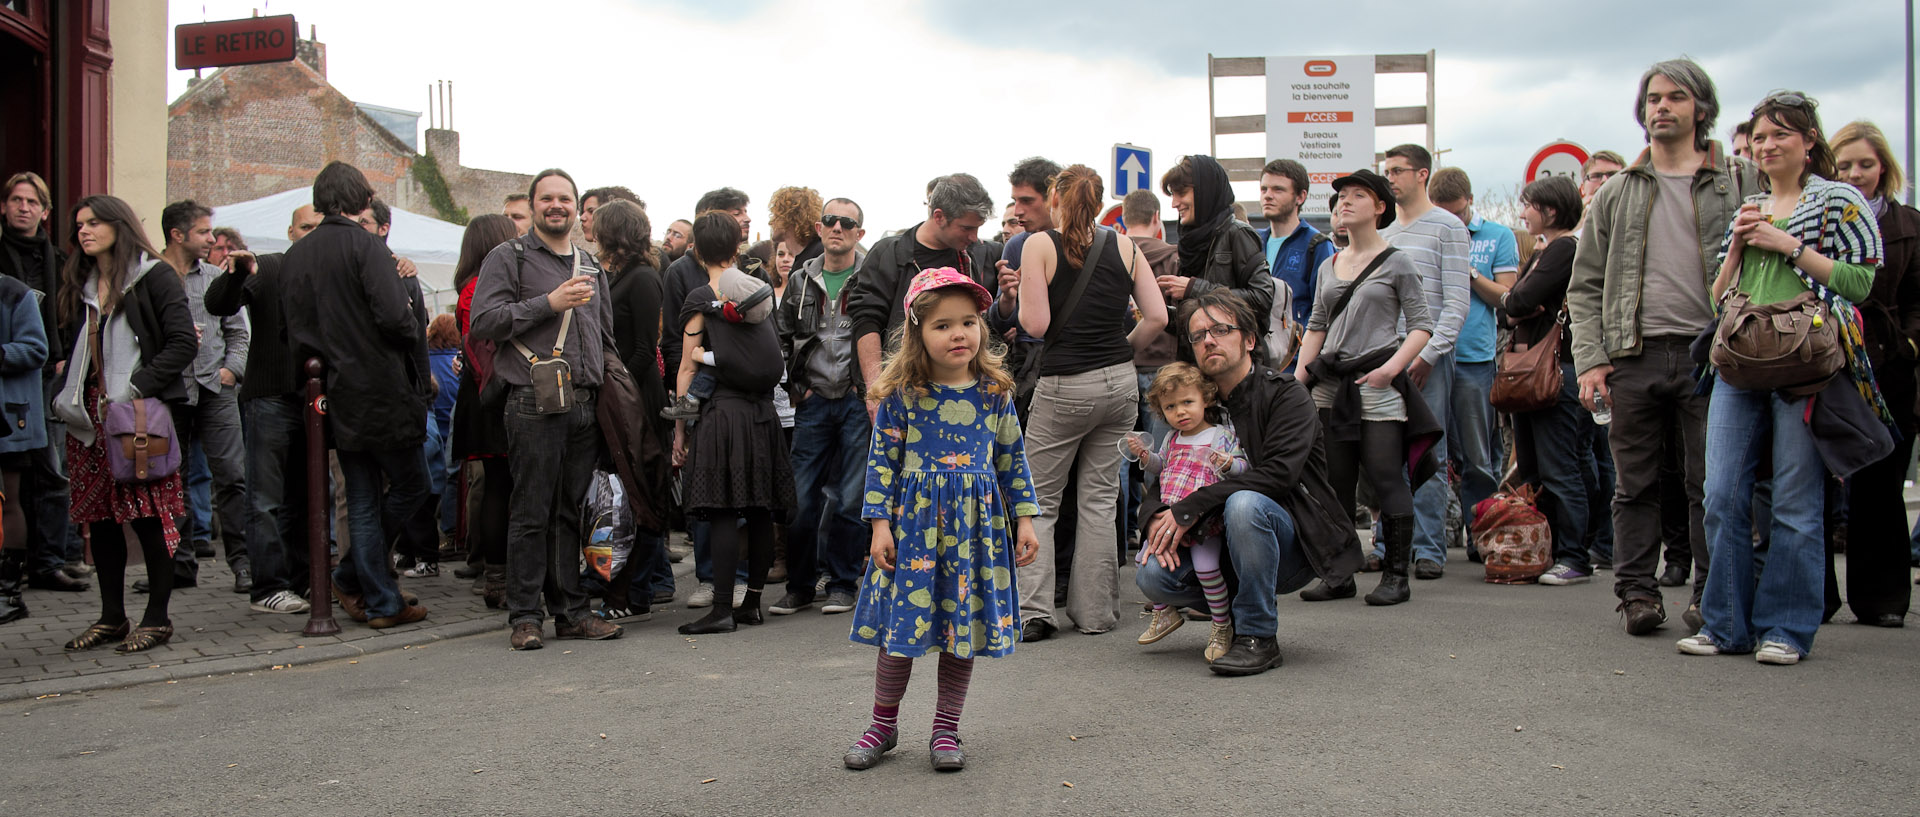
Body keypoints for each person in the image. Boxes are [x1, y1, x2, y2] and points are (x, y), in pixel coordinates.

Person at [1676, 91, 1882, 666]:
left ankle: (1787, 629)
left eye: (1780, 135)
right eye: (1760, 137)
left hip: (1806, 362)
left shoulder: (1838, 201)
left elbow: (1861, 282)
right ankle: (1725, 625)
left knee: (1794, 500)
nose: (1766, 146)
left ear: (1809, 141)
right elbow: (1717, 299)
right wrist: (1740, 245)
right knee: (1720, 495)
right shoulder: (1752, 203)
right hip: (1741, 361)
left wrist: (1789, 245)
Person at [1567, 58, 1758, 636]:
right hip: (1634, 353)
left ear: (1702, 108)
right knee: (1635, 485)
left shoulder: (1742, 181)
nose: (1661, 107)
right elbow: (1585, 285)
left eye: (1675, 97)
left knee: (1714, 485)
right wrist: (1591, 359)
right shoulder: (1618, 190)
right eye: (1652, 98)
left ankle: (1710, 594)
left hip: (1719, 355)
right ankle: (1637, 595)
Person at [841, 267, 1039, 772]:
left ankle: (946, 730)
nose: (959, 334)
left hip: (976, 533)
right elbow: (881, 463)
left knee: (961, 629)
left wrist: (1025, 520)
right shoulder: (903, 395)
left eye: (969, 322)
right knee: (900, 631)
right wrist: (879, 525)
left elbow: (1012, 460)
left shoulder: (995, 393)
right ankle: (882, 726)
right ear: (917, 334)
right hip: (913, 533)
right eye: (943, 325)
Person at [1137, 289, 1361, 675]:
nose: (1209, 340)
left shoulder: (1286, 395)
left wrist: (1189, 508)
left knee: (1245, 503)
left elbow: (1278, 476)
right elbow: (1168, 471)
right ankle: (1234, 612)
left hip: (1291, 539)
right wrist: (1156, 514)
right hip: (1215, 540)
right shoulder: (1190, 407)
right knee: (1151, 576)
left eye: (1221, 330)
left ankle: (1258, 636)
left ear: (1250, 339)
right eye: (1198, 335)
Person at [471, 168, 625, 649]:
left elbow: (603, 335)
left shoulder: (588, 262)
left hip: (582, 402)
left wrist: (609, 387)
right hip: (533, 401)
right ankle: (525, 617)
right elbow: (483, 323)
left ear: (577, 208)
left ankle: (571, 611)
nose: (556, 206)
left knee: (568, 514)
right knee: (531, 512)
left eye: (565, 199)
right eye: (547, 199)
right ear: (534, 205)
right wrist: (548, 302)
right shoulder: (508, 257)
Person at [1015, 165, 1167, 640]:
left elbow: (1035, 326)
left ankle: (1035, 613)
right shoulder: (1125, 246)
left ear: (1056, 197)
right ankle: (1097, 612)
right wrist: (1123, 348)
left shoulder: (1038, 245)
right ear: (1101, 203)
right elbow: (1158, 316)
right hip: (1120, 383)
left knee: (1040, 501)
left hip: (1064, 384)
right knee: (1100, 500)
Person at [283, 164, 433, 631]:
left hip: (330, 389)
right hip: (379, 387)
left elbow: (296, 329)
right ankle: (365, 585)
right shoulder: (364, 245)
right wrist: (409, 328)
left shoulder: (296, 254)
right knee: (411, 485)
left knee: (364, 496)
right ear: (361, 199)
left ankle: (369, 588)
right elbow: (395, 319)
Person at [51, 195, 197, 654]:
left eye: (94, 222)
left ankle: (158, 618)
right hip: (88, 416)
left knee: (149, 516)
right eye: (79, 225)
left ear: (120, 225)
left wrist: (136, 386)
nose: (84, 231)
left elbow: (181, 344)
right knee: (101, 520)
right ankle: (112, 617)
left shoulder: (153, 277)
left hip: (135, 415)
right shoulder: (82, 282)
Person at [1295, 169, 1438, 606]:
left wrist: (1391, 369)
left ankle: (1397, 575)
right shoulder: (1328, 265)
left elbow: (1421, 325)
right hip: (1330, 385)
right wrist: (1298, 381)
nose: (1346, 202)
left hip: (1376, 381)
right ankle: (1340, 574)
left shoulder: (1397, 262)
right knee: (1334, 482)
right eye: (1341, 197)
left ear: (1380, 207)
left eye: (1359, 195)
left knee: (1383, 476)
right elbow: (1316, 327)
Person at [669, 210, 796, 635]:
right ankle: (753, 604)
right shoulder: (760, 292)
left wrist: (680, 429)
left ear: (697, 250)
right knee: (760, 510)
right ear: (738, 247)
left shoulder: (700, 298)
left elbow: (688, 367)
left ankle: (722, 608)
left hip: (722, 413)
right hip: (763, 412)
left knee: (724, 512)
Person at [1826, 120, 1920, 627]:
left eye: (1865, 163)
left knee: (1880, 485)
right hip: (1821, 362)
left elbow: (1918, 299)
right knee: (1813, 486)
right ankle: (1814, 596)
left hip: (1889, 369)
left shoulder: (1909, 223)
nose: (1856, 173)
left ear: (1884, 167)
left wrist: (1907, 343)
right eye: (1845, 165)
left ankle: (1881, 599)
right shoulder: (1815, 218)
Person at [204, 205, 320, 615]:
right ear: (290, 231)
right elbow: (217, 304)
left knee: (305, 496)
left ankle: (304, 582)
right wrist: (235, 273)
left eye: (320, 227)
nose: (312, 234)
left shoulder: (329, 274)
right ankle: (268, 586)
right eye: (306, 226)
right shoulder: (268, 267)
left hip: (312, 399)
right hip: (269, 395)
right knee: (266, 497)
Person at [772, 197, 870, 616]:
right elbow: (780, 336)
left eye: (847, 223)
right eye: (831, 221)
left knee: (850, 498)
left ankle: (843, 584)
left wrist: (866, 388)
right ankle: (799, 586)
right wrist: (797, 388)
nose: (837, 228)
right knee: (801, 498)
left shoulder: (870, 276)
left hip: (854, 401)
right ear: (818, 226)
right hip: (812, 401)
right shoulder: (799, 279)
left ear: (859, 233)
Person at [1379, 144, 1470, 580]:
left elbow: (1456, 302)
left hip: (1427, 358)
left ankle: (1429, 548)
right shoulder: (1387, 233)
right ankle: (1385, 544)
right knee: (1384, 454)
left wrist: (1431, 353)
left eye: (1398, 170)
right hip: (1387, 355)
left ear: (1422, 174)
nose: (1390, 178)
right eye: (1387, 171)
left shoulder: (1447, 227)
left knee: (1429, 453)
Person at [1501, 176, 1597, 586]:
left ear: (1551, 211)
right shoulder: (1544, 251)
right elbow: (1512, 306)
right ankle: (1555, 549)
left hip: (1556, 370)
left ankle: (1575, 555)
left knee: (1560, 467)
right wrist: (1519, 303)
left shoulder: (1564, 249)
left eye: (1529, 206)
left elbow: (1517, 300)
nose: (1523, 214)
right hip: (1532, 372)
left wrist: (1521, 303)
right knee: (1537, 468)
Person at [847, 174, 1002, 422]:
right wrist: (875, 390)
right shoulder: (890, 252)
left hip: (961, 395)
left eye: (978, 228)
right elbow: (866, 320)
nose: (974, 236)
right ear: (938, 216)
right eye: (966, 228)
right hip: (901, 391)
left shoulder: (975, 256)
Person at [157, 199, 251, 593]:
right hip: (168, 393)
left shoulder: (216, 276)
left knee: (232, 476)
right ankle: (178, 566)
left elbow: (240, 332)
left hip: (216, 388)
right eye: (203, 232)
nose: (213, 239)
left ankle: (244, 564)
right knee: (170, 480)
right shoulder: (150, 278)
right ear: (178, 235)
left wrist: (232, 369)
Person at [1, 171, 87, 595]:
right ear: (4, 206)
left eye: (32, 202)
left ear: (46, 211)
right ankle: (14, 564)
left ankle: (50, 562)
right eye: (16, 200)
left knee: (52, 470)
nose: (23, 208)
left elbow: (72, 314)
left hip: (50, 373)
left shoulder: (58, 259)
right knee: (16, 476)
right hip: (10, 380)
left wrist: (65, 359)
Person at [591, 199, 676, 618]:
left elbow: (646, 348)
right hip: (618, 397)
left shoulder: (643, 278)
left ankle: (633, 592)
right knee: (618, 499)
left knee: (639, 497)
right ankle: (623, 587)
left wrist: (616, 383)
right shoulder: (614, 274)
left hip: (636, 399)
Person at [1128, 362, 1247, 661]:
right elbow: (1162, 466)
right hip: (1172, 514)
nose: (1180, 412)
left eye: (1187, 402)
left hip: (1204, 520)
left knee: (1207, 568)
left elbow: (1245, 468)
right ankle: (1164, 609)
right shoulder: (1171, 439)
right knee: (1147, 558)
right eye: (1170, 407)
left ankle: (1222, 625)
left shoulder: (1221, 435)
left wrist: (1229, 464)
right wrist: (1145, 456)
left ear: (1205, 400)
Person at [1427, 167, 1517, 547]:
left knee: (1478, 456)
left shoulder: (1498, 235)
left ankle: (1482, 534)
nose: (1449, 220)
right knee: (1431, 451)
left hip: (1472, 358)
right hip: (1429, 356)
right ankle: (1435, 537)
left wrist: (1467, 271)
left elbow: (1507, 298)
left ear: (1469, 203)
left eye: (1455, 213)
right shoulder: (1427, 232)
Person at [447, 214, 522, 609]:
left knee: (497, 488)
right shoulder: (486, 287)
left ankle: (496, 578)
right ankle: (504, 578)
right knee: (506, 489)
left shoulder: (466, 287)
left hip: (479, 396)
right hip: (499, 395)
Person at [1158, 155, 1275, 351]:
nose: (1174, 203)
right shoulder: (1190, 242)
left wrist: (1194, 288)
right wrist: (1157, 312)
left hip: (1234, 365)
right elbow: (1195, 323)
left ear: (1206, 192)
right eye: (1173, 195)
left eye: (1182, 193)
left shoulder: (1238, 233)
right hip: (1198, 364)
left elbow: (1262, 298)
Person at [0, 238, 48, 623]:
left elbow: (36, 349)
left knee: (8, 499)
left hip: (8, 415)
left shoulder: (14, 293)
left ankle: (9, 593)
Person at [1257, 159, 1334, 331]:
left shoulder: (1317, 245)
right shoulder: (1254, 241)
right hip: (1256, 351)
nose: (1268, 195)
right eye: (1264, 189)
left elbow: (1326, 310)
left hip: (1297, 352)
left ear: (1300, 197)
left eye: (1278, 189)